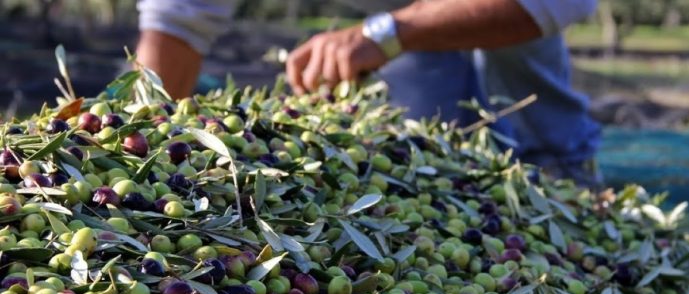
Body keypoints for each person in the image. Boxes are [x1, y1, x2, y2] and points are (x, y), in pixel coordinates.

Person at [135, 0, 602, 186]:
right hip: (395, 159)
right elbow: (175, 21)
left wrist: (386, 34)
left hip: (534, 152)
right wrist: (141, 142)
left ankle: (558, 172)